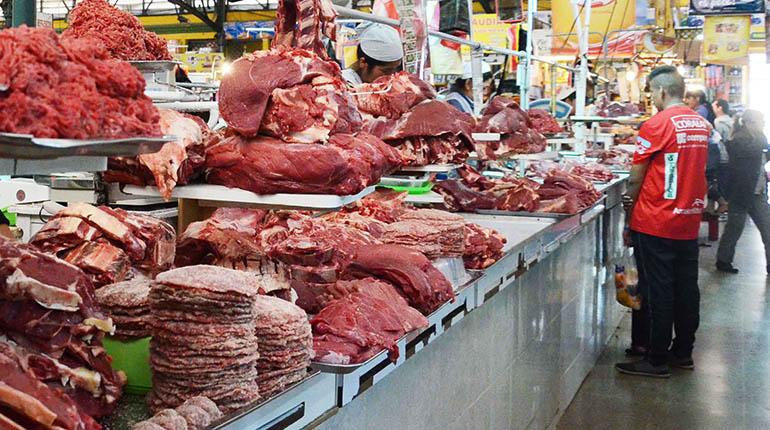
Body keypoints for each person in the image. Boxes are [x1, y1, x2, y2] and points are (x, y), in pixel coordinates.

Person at [616, 65, 710, 378]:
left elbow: (636, 176)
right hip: (688, 219)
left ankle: (655, 359)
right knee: (686, 289)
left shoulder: (656, 124)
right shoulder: (701, 124)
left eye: (652, 93)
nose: (652, 99)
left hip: (656, 219)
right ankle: (682, 352)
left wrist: (628, 210)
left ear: (662, 91)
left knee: (658, 291)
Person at [716, 110, 770, 274]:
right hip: (741, 193)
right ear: (749, 123)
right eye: (761, 121)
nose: (764, 124)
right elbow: (744, 162)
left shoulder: (759, 140)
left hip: (756, 191)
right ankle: (723, 260)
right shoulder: (740, 141)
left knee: (765, 228)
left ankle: (724, 260)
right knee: (734, 228)